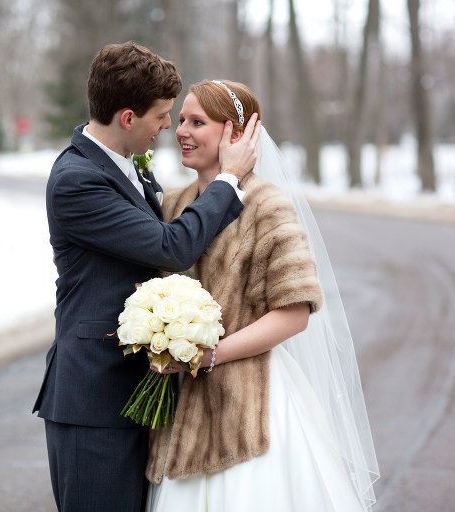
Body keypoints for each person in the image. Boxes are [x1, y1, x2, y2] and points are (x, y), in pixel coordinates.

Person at [31, 44, 261, 512]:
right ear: (128, 117)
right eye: (161, 115)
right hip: (93, 401)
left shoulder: (129, 167)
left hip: (140, 395)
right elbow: (171, 248)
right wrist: (229, 179)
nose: (169, 126)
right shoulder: (77, 179)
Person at [145, 80, 380, 511]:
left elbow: (294, 313)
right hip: (182, 410)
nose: (181, 131)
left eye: (197, 122)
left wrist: (210, 355)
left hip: (251, 405)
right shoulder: (171, 206)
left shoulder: (268, 206)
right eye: (181, 120)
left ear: (235, 134)